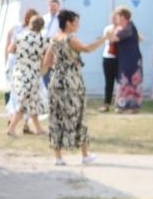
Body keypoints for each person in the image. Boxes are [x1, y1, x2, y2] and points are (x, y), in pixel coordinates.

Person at [41, 9, 108, 166]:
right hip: (71, 81)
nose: (78, 25)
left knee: (56, 116)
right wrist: (105, 39)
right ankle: (85, 154)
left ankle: (58, 157)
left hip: (56, 80)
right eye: (76, 22)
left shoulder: (54, 38)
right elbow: (87, 49)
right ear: (68, 24)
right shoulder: (70, 38)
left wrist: (62, 63)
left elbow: (47, 62)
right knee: (78, 115)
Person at [6, 14, 48, 137]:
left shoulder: (20, 36)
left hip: (19, 72)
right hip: (33, 73)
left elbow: (10, 50)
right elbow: (46, 57)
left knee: (32, 102)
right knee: (25, 103)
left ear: (30, 24)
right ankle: (11, 129)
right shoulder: (43, 40)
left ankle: (38, 129)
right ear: (41, 27)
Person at [112, 7, 144, 113]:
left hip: (132, 58)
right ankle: (123, 105)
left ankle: (133, 107)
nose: (116, 18)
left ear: (123, 17)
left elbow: (114, 38)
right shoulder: (126, 27)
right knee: (124, 79)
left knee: (131, 80)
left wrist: (108, 33)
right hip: (125, 57)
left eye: (117, 16)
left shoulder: (129, 28)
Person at [98, 18, 118, 113]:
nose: (114, 20)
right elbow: (105, 39)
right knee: (109, 82)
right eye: (112, 18)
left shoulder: (123, 29)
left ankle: (119, 104)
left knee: (121, 82)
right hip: (108, 56)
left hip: (119, 57)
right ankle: (106, 104)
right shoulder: (108, 28)